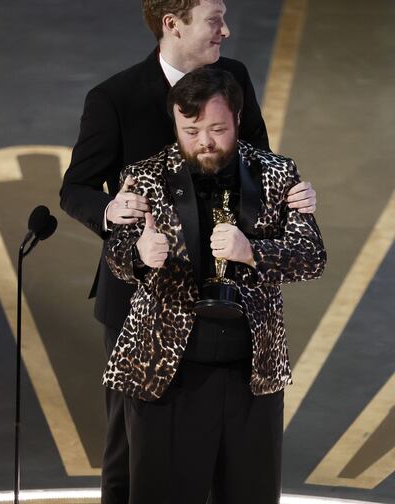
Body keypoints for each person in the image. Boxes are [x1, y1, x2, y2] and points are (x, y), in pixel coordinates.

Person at [60, 1, 317, 502]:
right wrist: (118, 211)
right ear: (172, 24)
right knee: (129, 452)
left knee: (232, 453)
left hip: (230, 295)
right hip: (142, 295)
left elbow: (258, 158)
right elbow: (76, 189)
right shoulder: (115, 96)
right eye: (214, 18)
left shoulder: (233, 75)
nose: (227, 29)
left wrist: (296, 199)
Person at [103, 67, 326, 504]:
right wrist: (140, 256)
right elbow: (117, 254)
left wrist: (253, 252)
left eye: (217, 129)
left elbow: (312, 256)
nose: (204, 141)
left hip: (252, 375)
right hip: (166, 375)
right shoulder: (145, 176)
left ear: (238, 120)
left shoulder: (277, 174)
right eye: (191, 130)